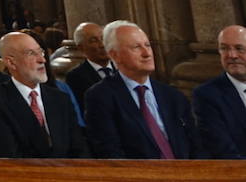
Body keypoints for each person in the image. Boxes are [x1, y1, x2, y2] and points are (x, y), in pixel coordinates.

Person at [84, 20, 197, 159]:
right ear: (114, 55)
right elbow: (110, 153)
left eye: (148, 45)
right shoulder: (100, 97)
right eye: (136, 47)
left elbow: (196, 144)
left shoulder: (172, 95)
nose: (147, 53)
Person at [0, 31, 88, 157]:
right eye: (31, 54)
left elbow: (79, 149)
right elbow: (9, 156)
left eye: (41, 52)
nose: (42, 60)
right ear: (11, 63)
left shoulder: (60, 99)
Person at [193, 24, 246, 158]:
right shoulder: (207, 95)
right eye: (224, 48)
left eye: (239, 48)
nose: (232, 55)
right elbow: (224, 152)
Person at [65, 21, 115, 108]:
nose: (102, 44)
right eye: (94, 40)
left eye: (103, 38)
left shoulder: (123, 68)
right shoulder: (75, 77)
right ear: (81, 47)